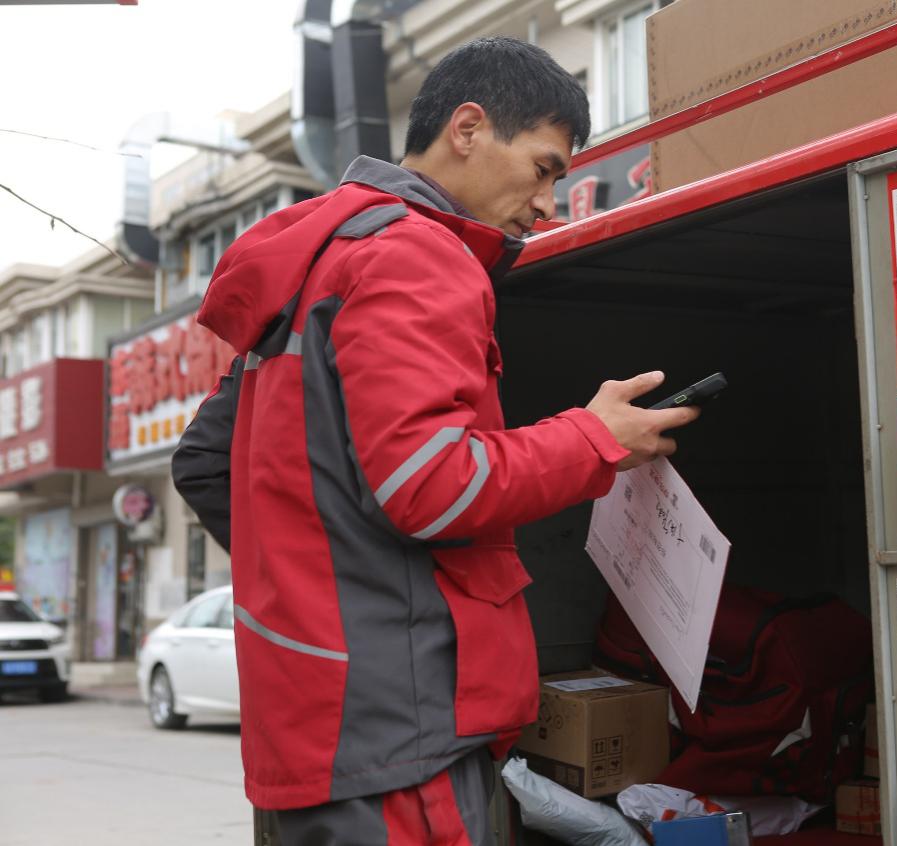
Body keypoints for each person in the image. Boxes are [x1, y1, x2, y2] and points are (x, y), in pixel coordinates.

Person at [172, 36, 697, 845]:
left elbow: (207, 464)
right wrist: (595, 439)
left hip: (315, 729)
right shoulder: (417, 253)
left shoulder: (317, 261)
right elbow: (432, 485)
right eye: (544, 166)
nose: (548, 200)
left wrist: (326, 589)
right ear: (468, 128)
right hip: (402, 734)